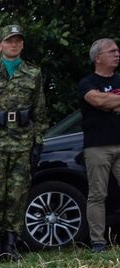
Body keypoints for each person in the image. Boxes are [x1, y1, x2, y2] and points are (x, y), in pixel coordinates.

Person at [0, 25, 47, 261]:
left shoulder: (33, 74)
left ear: (22, 45)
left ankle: (11, 244)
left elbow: (40, 112)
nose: (13, 44)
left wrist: (38, 142)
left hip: (22, 143)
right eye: (9, 41)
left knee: (17, 194)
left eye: (17, 41)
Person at [78, 37, 120, 253]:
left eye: (117, 51)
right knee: (97, 195)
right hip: (97, 147)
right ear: (98, 58)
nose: (117, 54)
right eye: (112, 51)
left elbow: (104, 102)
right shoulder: (87, 83)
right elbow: (99, 101)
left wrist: (108, 102)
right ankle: (98, 242)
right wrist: (107, 102)